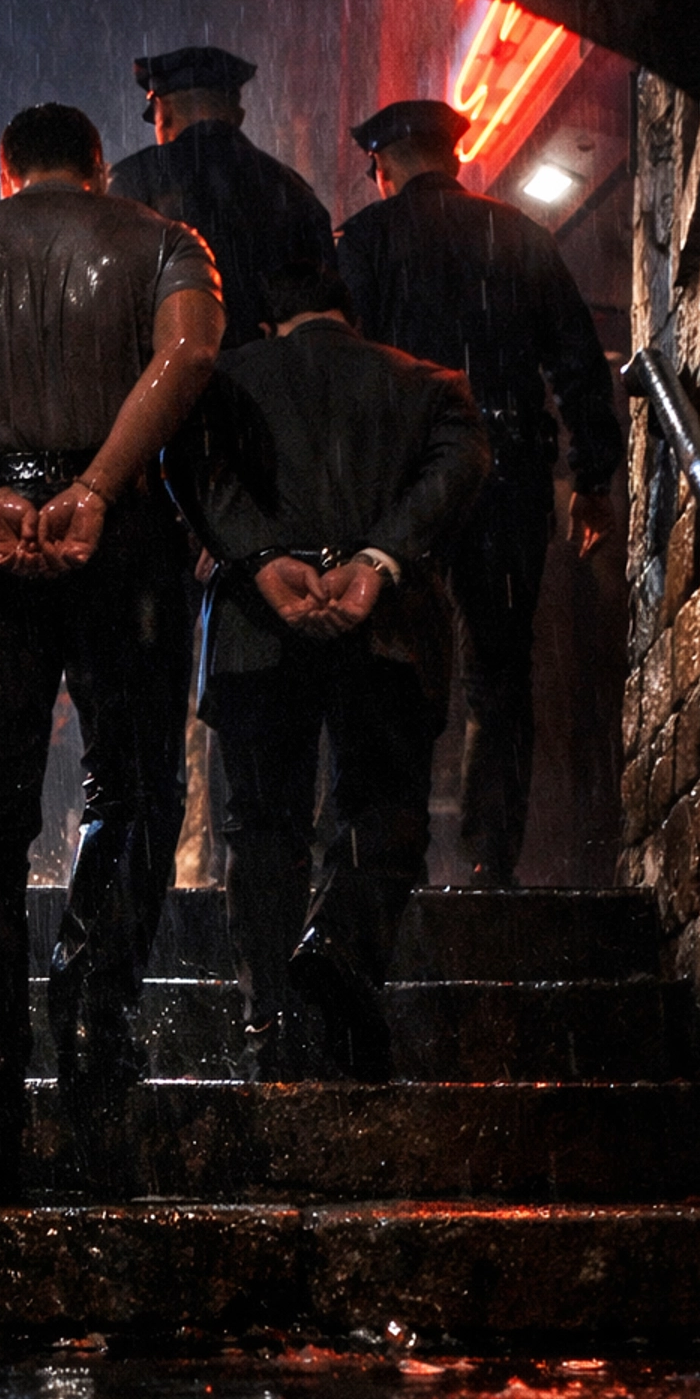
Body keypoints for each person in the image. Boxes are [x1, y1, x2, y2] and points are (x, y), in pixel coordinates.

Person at [0, 101, 223, 1202]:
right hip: (126, 537)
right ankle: (92, 1028)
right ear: (98, 167)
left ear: (8, 172)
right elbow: (191, 350)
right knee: (134, 787)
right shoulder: (165, 244)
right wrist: (101, 486)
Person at [164, 264, 489, 1079]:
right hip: (387, 628)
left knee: (261, 822)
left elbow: (186, 462)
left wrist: (259, 554)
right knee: (383, 805)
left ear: (270, 323)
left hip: (255, 629)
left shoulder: (223, 379)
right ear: (354, 317)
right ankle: (340, 947)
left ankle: (270, 1019)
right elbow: (460, 469)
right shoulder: (430, 386)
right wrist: (379, 558)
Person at [337, 99, 625, 884]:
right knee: (498, 670)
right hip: (506, 470)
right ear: (455, 157)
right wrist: (591, 476)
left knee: (392, 664)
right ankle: (488, 862)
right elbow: (577, 362)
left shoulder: (366, 241)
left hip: (403, 481)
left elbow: (344, 369)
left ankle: (385, 855)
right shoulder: (519, 234)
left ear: (382, 167)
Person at [108, 45, 336, 351]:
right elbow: (325, 309)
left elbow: (110, 299)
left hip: (172, 372)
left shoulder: (131, 181)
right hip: (274, 372)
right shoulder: (293, 189)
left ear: (165, 112)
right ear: (238, 116)